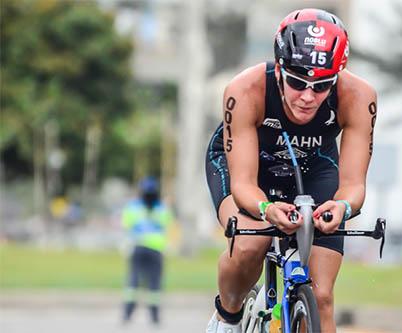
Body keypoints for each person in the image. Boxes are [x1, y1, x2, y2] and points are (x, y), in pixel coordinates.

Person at [205, 8, 377, 333]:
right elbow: (242, 184)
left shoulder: (359, 96)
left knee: (322, 296)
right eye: (298, 82)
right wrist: (266, 209)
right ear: (279, 68)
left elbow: (354, 186)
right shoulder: (245, 90)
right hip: (249, 166)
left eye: (323, 86)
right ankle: (227, 316)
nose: (308, 97)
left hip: (313, 166)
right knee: (250, 244)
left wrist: (341, 207)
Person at [121, 176, 173, 326]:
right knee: (154, 285)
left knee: (133, 282)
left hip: (138, 247)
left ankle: (127, 314)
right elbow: (167, 225)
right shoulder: (162, 208)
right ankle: (154, 316)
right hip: (156, 250)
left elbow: (126, 225)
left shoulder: (133, 207)